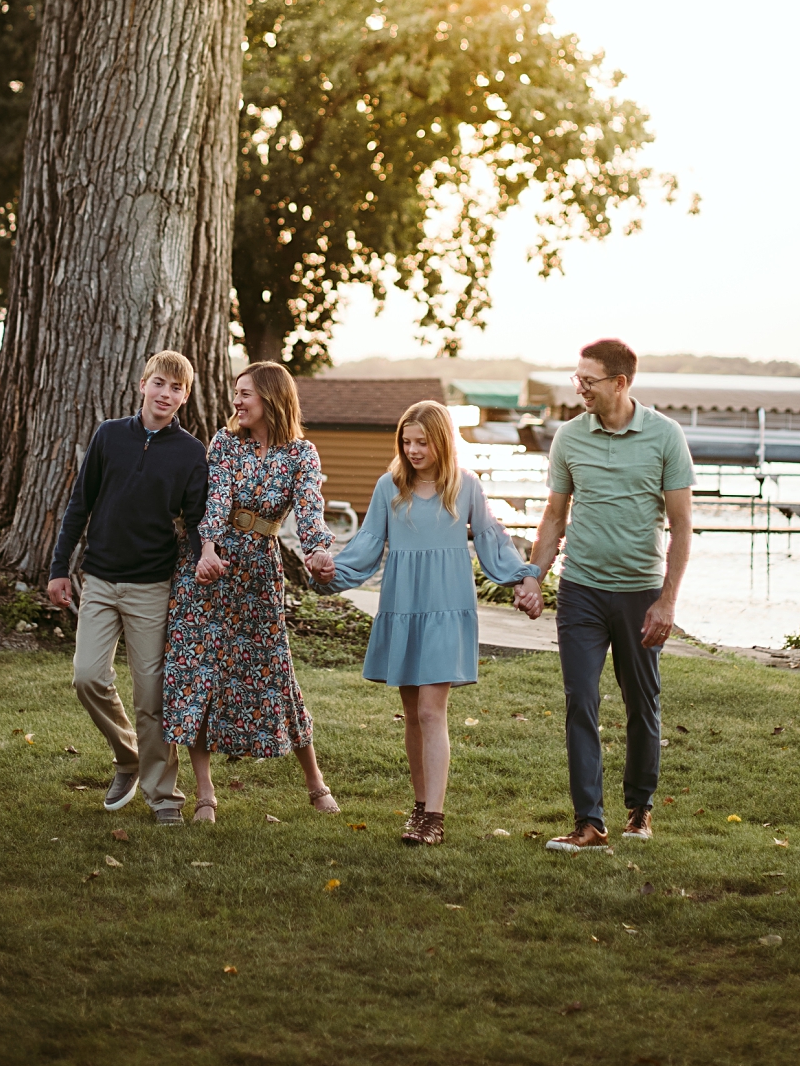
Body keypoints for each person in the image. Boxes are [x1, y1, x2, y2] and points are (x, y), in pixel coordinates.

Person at [314, 400, 543, 846]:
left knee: (429, 710)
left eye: (422, 442)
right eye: (406, 441)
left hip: (446, 610)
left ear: (442, 441)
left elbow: (494, 541)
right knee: (412, 718)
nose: (413, 450)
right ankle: (419, 809)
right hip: (403, 610)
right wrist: (329, 574)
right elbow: (366, 545)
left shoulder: (466, 488)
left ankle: (434, 817)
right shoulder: (389, 487)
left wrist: (524, 576)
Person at [530, 338, 694, 851]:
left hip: (639, 595)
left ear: (619, 383)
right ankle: (589, 822)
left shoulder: (665, 436)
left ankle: (640, 808)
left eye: (589, 380)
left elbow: (683, 527)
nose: (579, 387)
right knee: (581, 699)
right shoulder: (569, 438)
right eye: (576, 378)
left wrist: (666, 602)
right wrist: (535, 575)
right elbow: (554, 517)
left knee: (641, 702)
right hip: (580, 591)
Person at [162, 361, 338, 822]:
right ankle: (205, 794)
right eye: (236, 393)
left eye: (246, 394)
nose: (237, 401)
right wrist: (206, 548)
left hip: (259, 572)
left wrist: (319, 551)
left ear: (273, 399)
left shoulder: (301, 453)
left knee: (275, 671)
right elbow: (215, 499)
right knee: (199, 669)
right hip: (208, 568)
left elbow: (310, 510)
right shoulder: (225, 443)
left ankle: (315, 783)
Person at [47, 351, 209, 824]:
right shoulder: (109, 435)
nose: (166, 394)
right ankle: (127, 756)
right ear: (142, 384)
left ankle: (163, 797)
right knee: (87, 676)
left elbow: (197, 522)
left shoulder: (191, 452)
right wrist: (61, 567)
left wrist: (206, 559)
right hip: (98, 579)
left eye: (177, 388)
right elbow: (80, 504)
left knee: (151, 694)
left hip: (152, 586)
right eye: (159, 383)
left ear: (185, 396)